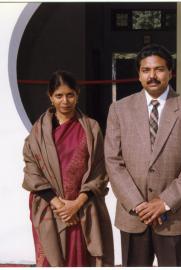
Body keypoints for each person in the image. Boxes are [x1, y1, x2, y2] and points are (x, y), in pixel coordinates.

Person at [104, 44, 181, 266]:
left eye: (159, 69)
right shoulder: (119, 109)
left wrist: (164, 202)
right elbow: (113, 161)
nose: (152, 76)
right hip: (133, 215)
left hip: (172, 216)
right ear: (139, 74)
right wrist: (138, 204)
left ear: (170, 72)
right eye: (145, 70)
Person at [22, 70, 114, 267]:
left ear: (77, 94)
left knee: (81, 259)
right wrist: (60, 205)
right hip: (50, 208)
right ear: (50, 97)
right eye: (59, 95)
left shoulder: (91, 128)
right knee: (52, 258)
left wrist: (76, 204)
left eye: (70, 94)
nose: (65, 101)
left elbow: (100, 169)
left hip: (84, 208)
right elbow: (32, 172)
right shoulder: (37, 135)